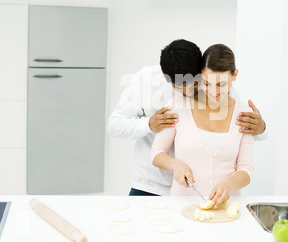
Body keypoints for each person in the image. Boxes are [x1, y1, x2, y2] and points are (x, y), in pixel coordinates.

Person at [108, 39, 266, 196]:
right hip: (150, 184)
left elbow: (239, 131)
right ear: (167, 80)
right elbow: (114, 125)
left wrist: (261, 128)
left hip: (194, 191)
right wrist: (149, 124)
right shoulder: (145, 82)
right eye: (180, 87)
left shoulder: (215, 87)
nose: (189, 92)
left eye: (196, 84)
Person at [151, 44, 253, 207]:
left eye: (221, 84)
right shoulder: (177, 106)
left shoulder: (244, 113)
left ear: (234, 75)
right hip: (180, 207)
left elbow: (245, 169)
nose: (214, 92)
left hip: (227, 209)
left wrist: (228, 184)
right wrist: (175, 165)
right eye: (207, 83)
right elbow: (157, 153)